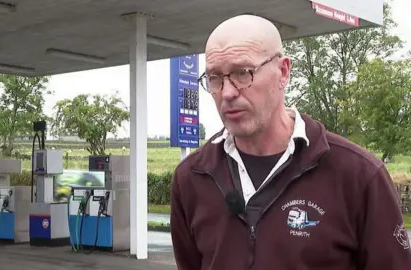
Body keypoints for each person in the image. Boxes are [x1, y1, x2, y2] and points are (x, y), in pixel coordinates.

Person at [170, 15, 411, 270]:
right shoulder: (192, 178)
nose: (227, 92)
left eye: (243, 73)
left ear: (283, 72)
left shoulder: (359, 175)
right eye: (215, 78)